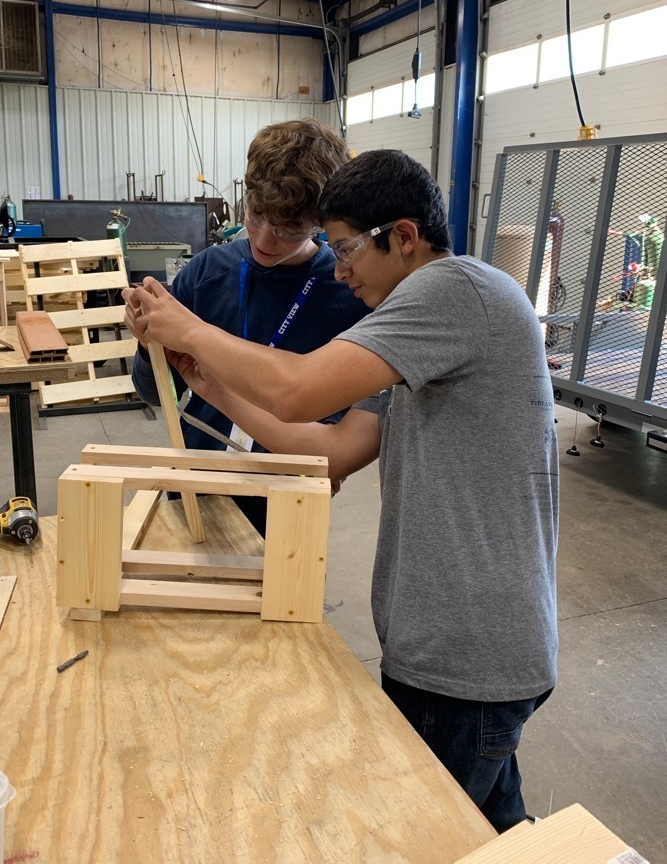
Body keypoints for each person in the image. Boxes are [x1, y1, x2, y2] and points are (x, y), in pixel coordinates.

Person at [123, 148, 559, 833]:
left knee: (430, 837)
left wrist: (192, 329)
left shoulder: (453, 293)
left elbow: (298, 390)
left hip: (465, 654)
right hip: (447, 647)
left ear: (405, 236)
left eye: (347, 247)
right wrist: (209, 384)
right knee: (494, 829)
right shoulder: (408, 337)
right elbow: (330, 454)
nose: (339, 268)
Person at [126, 118, 369, 533]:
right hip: (195, 488)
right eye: (256, 216)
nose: (264, 240)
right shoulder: (206, 273)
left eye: (289, 230)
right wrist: (150, 345)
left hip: (288, 502)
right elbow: (153, 393)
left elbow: (341, 439)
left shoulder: (348, 295)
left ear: (320, 222)